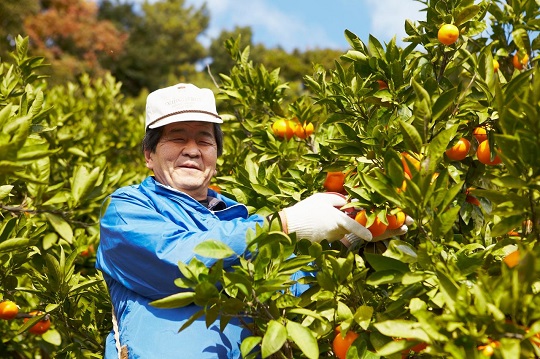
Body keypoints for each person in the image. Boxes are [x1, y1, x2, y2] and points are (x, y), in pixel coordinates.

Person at [95, 83, 409, 358]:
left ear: (216, 157)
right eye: (177, 138)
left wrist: (344, 241)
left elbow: (289, 292)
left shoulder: (239, 220)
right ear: (149, 155)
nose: (191, 149)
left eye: (204, 140)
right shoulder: (128, 209)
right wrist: (281, 225)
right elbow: (179, 262)